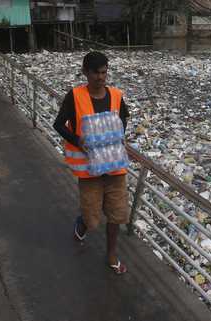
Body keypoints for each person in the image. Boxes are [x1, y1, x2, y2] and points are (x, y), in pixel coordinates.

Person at [53, 51, 130, 274]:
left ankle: (112, 255)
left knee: (117, 214)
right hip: (89, 171)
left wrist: (115, 136)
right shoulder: (75, 96)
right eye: (95, 73)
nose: (100, 77)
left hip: (115, 167)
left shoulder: (115, 95)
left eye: (104, 72)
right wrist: (79, 141)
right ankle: (83, 223)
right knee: (92, 218)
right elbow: (59, 124)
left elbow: (123, 118)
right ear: (85, 72)